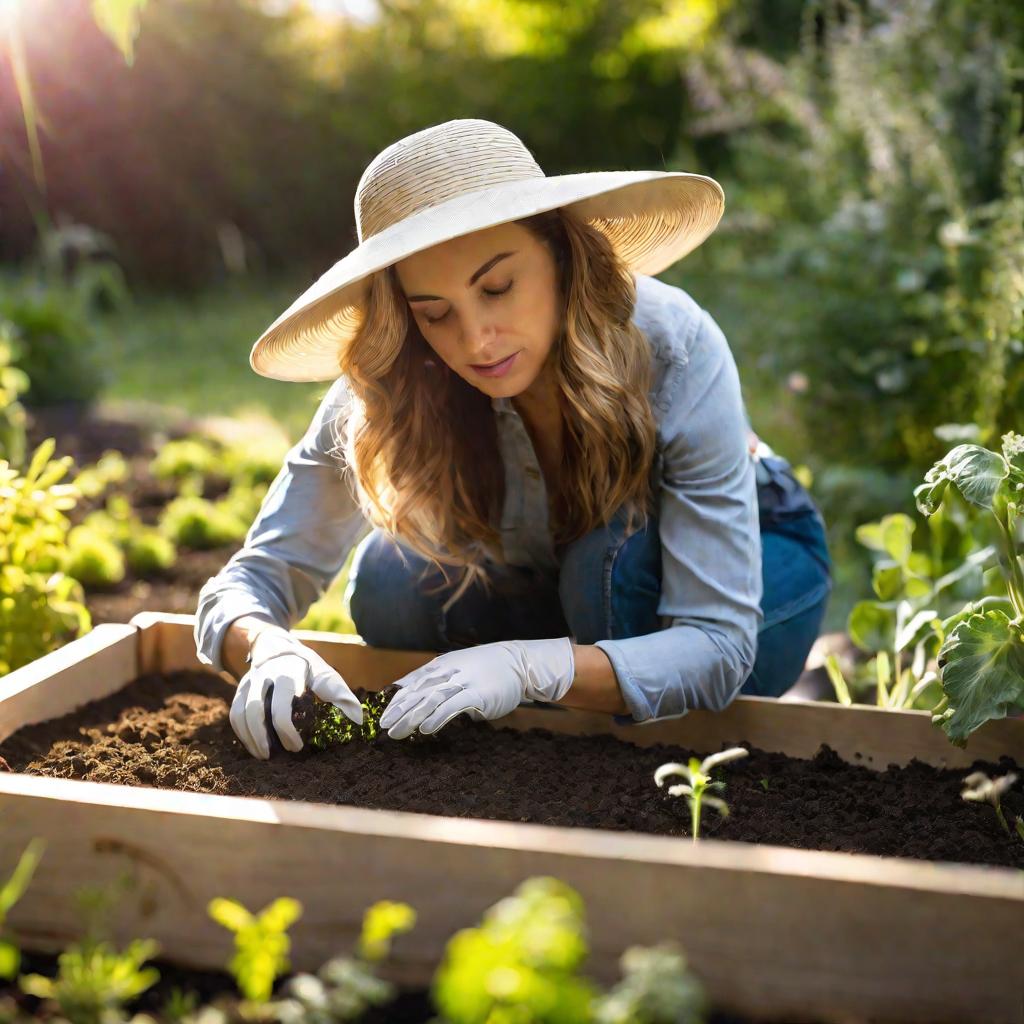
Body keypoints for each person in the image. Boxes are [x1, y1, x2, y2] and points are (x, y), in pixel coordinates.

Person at [193, 118, 832, 760]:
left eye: (497, 288)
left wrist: (530, 670)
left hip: (747, 569)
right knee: (392, 581)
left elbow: (717, 644)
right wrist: (264, 646)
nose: (476, 341)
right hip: (555, 587)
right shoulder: (395, 380)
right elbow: (246, 584)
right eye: (435, 313)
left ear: (560, 253)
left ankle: (774, 692)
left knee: (605, 573)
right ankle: (561, 693)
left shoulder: (676, 348)